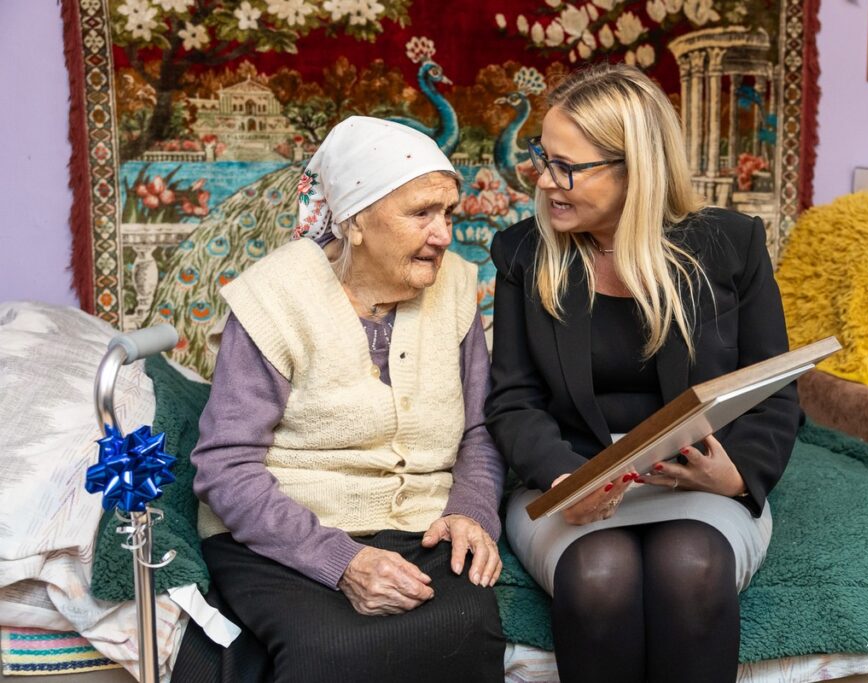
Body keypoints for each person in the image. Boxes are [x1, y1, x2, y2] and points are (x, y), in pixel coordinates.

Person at [484, 64, 801, 683]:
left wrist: (735, 475)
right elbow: (513, 399)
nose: (547, 182)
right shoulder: (524, 253)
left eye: (567, 167)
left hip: (698, 482)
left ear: (636, 167)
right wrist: (564, 479)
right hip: (570, 477)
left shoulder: (731, 246)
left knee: (690, 565)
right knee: (600, 573)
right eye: (542, 158)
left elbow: (774, 384)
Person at [187, 116, 506, 682]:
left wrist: (470, 512)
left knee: (466, 622)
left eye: (448, 213)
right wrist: (344, 563)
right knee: (329, 649)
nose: (443, 235)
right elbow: (225, 466)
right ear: (356, 221)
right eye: (420, 214)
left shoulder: (456, 285)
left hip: (419, 526)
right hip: (281, 537)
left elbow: (479, 431)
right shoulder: (274, 298)